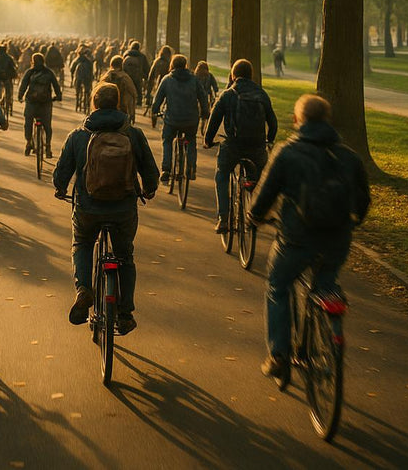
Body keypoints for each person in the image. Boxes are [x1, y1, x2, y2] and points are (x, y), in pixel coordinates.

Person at [248, 94, 370, 382]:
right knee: (326, 285)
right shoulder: (349, 156)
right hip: (336, 241)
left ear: (297, 120)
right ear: (328, 121)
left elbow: (265, 195)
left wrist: (254, 216)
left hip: (296, 239)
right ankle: (329, 339)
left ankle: (279, 354)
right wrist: (350, 225)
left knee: (278, 285)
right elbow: (362, 200)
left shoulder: (287, 152)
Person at [53, 82, 158, 335]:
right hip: (123, 209)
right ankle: (125, 314)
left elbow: (61, 173)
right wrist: (149, 189)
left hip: (88, 208)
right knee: (125, 257)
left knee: (82, 242)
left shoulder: (78, 135)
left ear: (94, 103)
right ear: (119, 103)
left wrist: (61, 189)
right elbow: (151, 171)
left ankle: (84, 290)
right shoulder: (133, 134)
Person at [204, 59, 278, 233]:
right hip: (256, 147)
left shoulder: (228, 94)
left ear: (233, 75)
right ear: (251, 75)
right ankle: (257, 213)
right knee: (259, 180)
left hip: (233, 146)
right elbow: (273, 123)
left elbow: (214, 120)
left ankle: (223, 219)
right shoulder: (261, 94)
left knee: (221, 176)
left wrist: (208, 140)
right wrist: (269, 139)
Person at [151, 54, 209, 182]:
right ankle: (191, 169)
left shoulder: (167, 80)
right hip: (191, 120)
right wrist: (205, 112)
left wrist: (154, 112)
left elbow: (158, 99)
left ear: (172, 65)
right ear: (185, 65)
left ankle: (166, 169)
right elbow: (203, 97)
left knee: (167, 140)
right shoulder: (194, 79)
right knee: (191, 141)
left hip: (172, 119)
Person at [18, 52, 62, 156]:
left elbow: (23, 85)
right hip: (45, 103)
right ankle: (48, 147)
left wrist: (20, 96)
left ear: (32, 61)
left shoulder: (29, 72)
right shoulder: (49, 72)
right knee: (47, 126)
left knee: (28, 122)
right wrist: (58, 96)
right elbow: (56, 85)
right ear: (43, 61)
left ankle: (28, 143)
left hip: (31, 103)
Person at [101, 55, 138, 122]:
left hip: (105, 109)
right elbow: (133, 94)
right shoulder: (125, 77)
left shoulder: (105, 77)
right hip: (122, 109)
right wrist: (132, 114)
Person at [71, 46, 94, 110]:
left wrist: (73, 75)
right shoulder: (88, 61)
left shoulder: (76, 60)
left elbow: (71, 69)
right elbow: (91, 72)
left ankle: (77, 96)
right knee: (87, 90)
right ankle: (86, 101)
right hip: (86, 79)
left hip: (78, 79)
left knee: (78, 89)